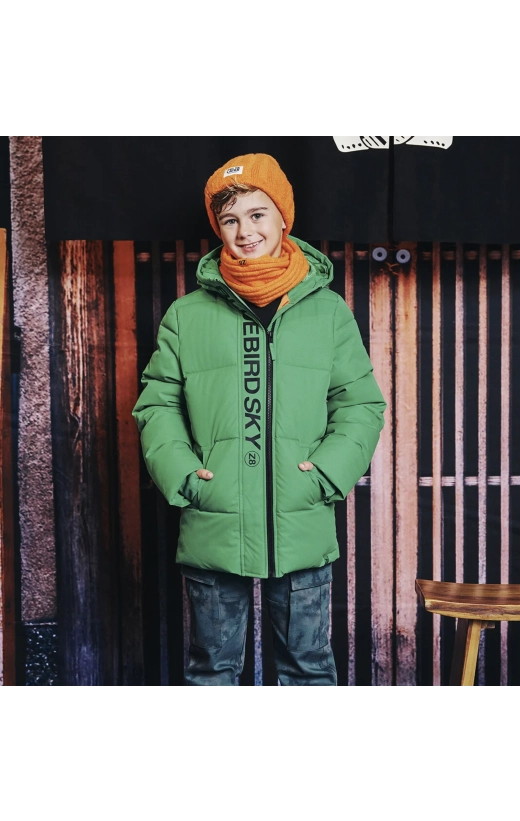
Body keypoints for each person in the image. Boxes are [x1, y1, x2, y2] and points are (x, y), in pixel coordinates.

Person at [132, 153, 386, 687]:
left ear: (282, 218)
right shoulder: (186, 316)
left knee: (307, 670)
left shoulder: (328, 312)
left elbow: (360, 404)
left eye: (256, 214)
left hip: (302, 521)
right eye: (229, 219)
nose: (244, 231)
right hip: (214, 519)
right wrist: (184, 475)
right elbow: (157, 404)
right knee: (212, 672)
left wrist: (325, 474)